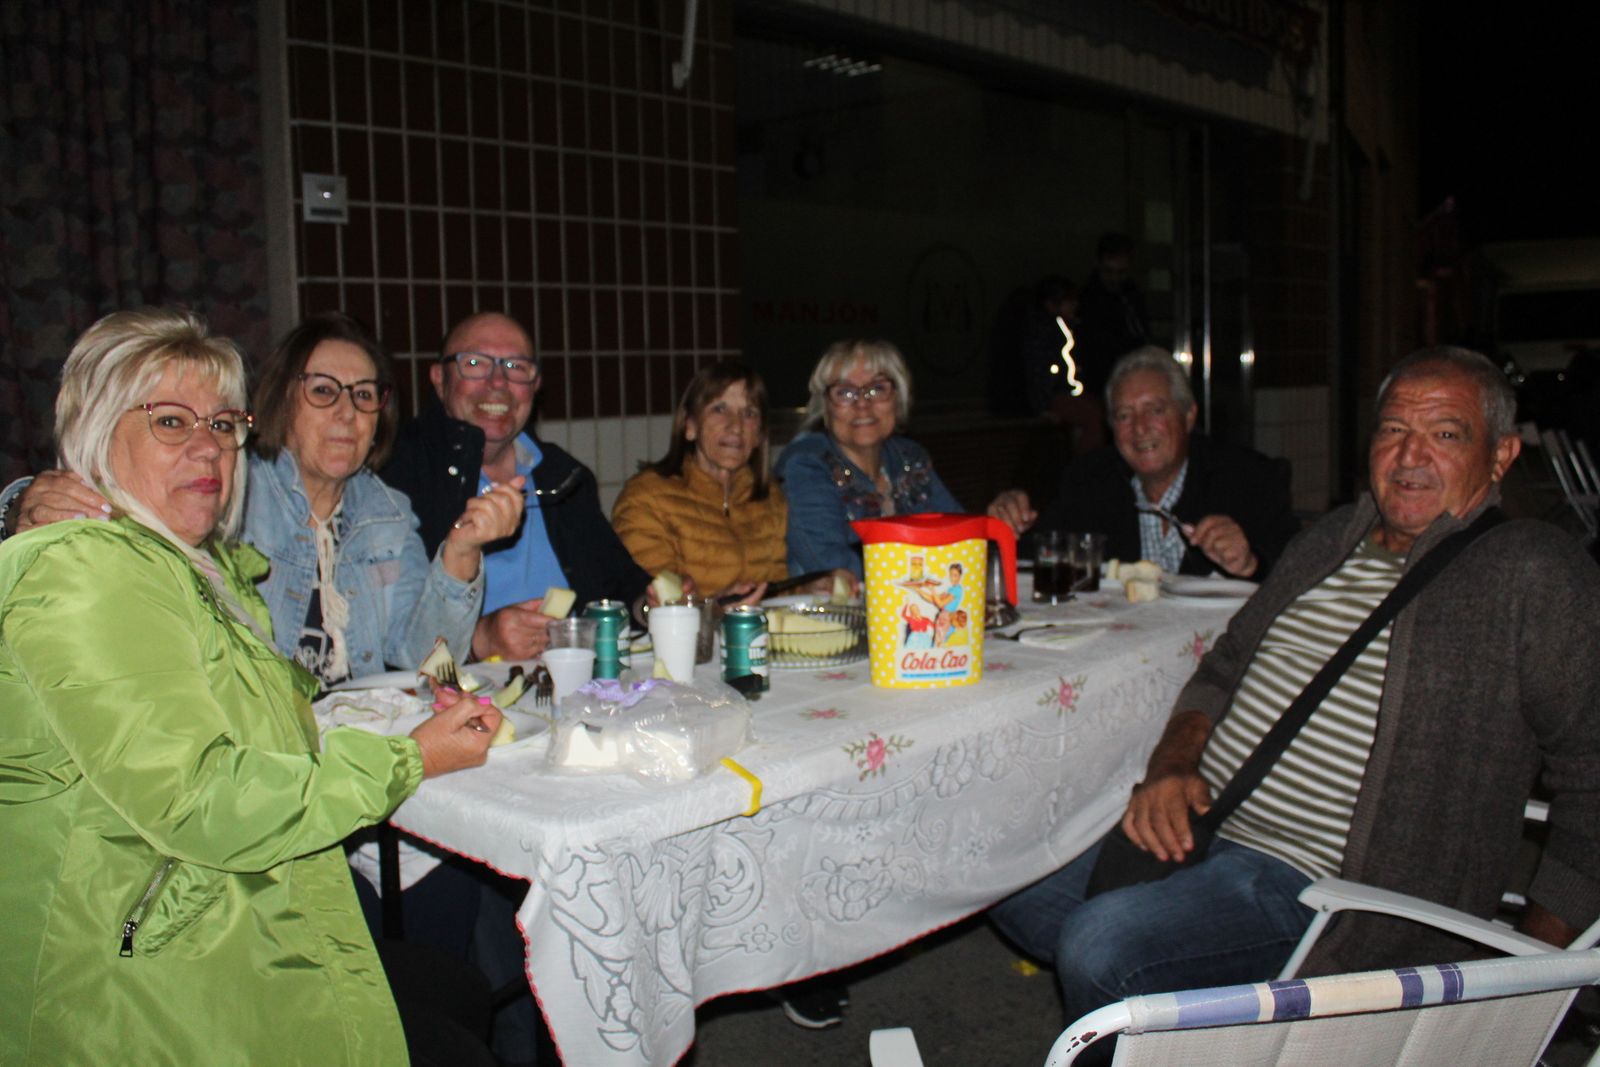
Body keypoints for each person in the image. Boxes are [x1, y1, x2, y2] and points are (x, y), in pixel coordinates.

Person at [989, 346, 1600, 1032]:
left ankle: (1182, 1000)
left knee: (1101, 944)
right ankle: (1202, 1014)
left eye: (1446, 434)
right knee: (1006, 879)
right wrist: (1172, 764)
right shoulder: (1335, 534)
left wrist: (1531, 974)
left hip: (1332, 883)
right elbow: (1226, 662)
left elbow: (1593, 782)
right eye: (1394, 429)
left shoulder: (1534, 570)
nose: (1409, 456)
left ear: (1501, 455)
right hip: (1212, 816)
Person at [0, 308, 501, 1065]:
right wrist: (407, 760)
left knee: (463, 973)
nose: (207, 446)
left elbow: (408, 655)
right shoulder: (100, 564)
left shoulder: (204, 558)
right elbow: (200, 795)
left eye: (221, 423)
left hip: (226, 879)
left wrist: (460, 554)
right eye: (171, 420)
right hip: (136, 961)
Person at [0, 314, 523, 683]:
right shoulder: (229, 484)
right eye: (324, 390)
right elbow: (122, 508)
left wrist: (461, 551)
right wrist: (21, 504)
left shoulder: (386, 511)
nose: (348, 413)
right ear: (281, 400)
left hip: (355, 744)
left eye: (364, 395)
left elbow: (423, 661)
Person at [378, 311, 650, 660]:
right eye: (475, 363)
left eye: (516, 367)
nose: (497, 382)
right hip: (458, 695)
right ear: (439, 379)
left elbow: (620, 585)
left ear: (535, 385)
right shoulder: (395, 475)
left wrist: (650, 605)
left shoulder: (563, 476)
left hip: (573, 683)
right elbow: (382, 636)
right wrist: (479, 639)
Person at [995, 346, 1300, 580]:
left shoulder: (1247, 477)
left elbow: (1297, 571)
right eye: (1124, 416)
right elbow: (1036, 557)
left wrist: (1250, 563)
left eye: (1154, 410)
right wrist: (1010, 525)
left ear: (1189, 415)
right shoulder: (1091, 479)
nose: (1140, 428)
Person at [776, 340, 1036, 579]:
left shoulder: (908, 458)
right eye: (845, 392)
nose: (863, 404)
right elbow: (832, 568)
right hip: (836, 623)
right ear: (824, 406)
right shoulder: (807, 464)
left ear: (898, 399)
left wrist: (995, 519)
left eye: (878, 389)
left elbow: (959, 540)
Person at [611, 360, 788, 605]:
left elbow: (777, 590)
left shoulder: (769, 497)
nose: (736, 426)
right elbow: (654, 598)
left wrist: (813, 586)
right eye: (719, 409)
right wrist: (713, 609)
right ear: (690, 426)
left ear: (759, 435)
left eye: (749, 413)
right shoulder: (647, 496)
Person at [1072, 231, 1150, 392]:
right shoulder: (1088, 300)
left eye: (1121, 272)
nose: (1114, 278)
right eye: (1108, 271)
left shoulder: (1131, 297)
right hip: (1099, 381)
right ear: (1098, 265)